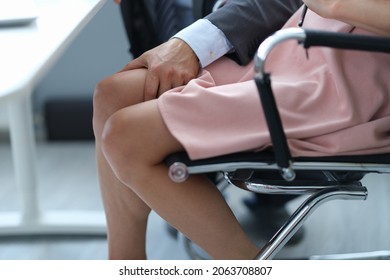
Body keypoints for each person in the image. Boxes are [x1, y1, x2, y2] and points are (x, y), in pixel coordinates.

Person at [93, 0, 390, 259]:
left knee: (125, 136)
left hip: (339, 83)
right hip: (293, 50)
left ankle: (246, 264)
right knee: (113, 94)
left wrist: (337, 5)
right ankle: (124, 263)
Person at [117, 0, 305, 244]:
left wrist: (194, 44)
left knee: (124, 125)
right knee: (113, 96)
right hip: (176, 35)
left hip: (256, 54)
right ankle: (126, 259)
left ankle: (261, 211)